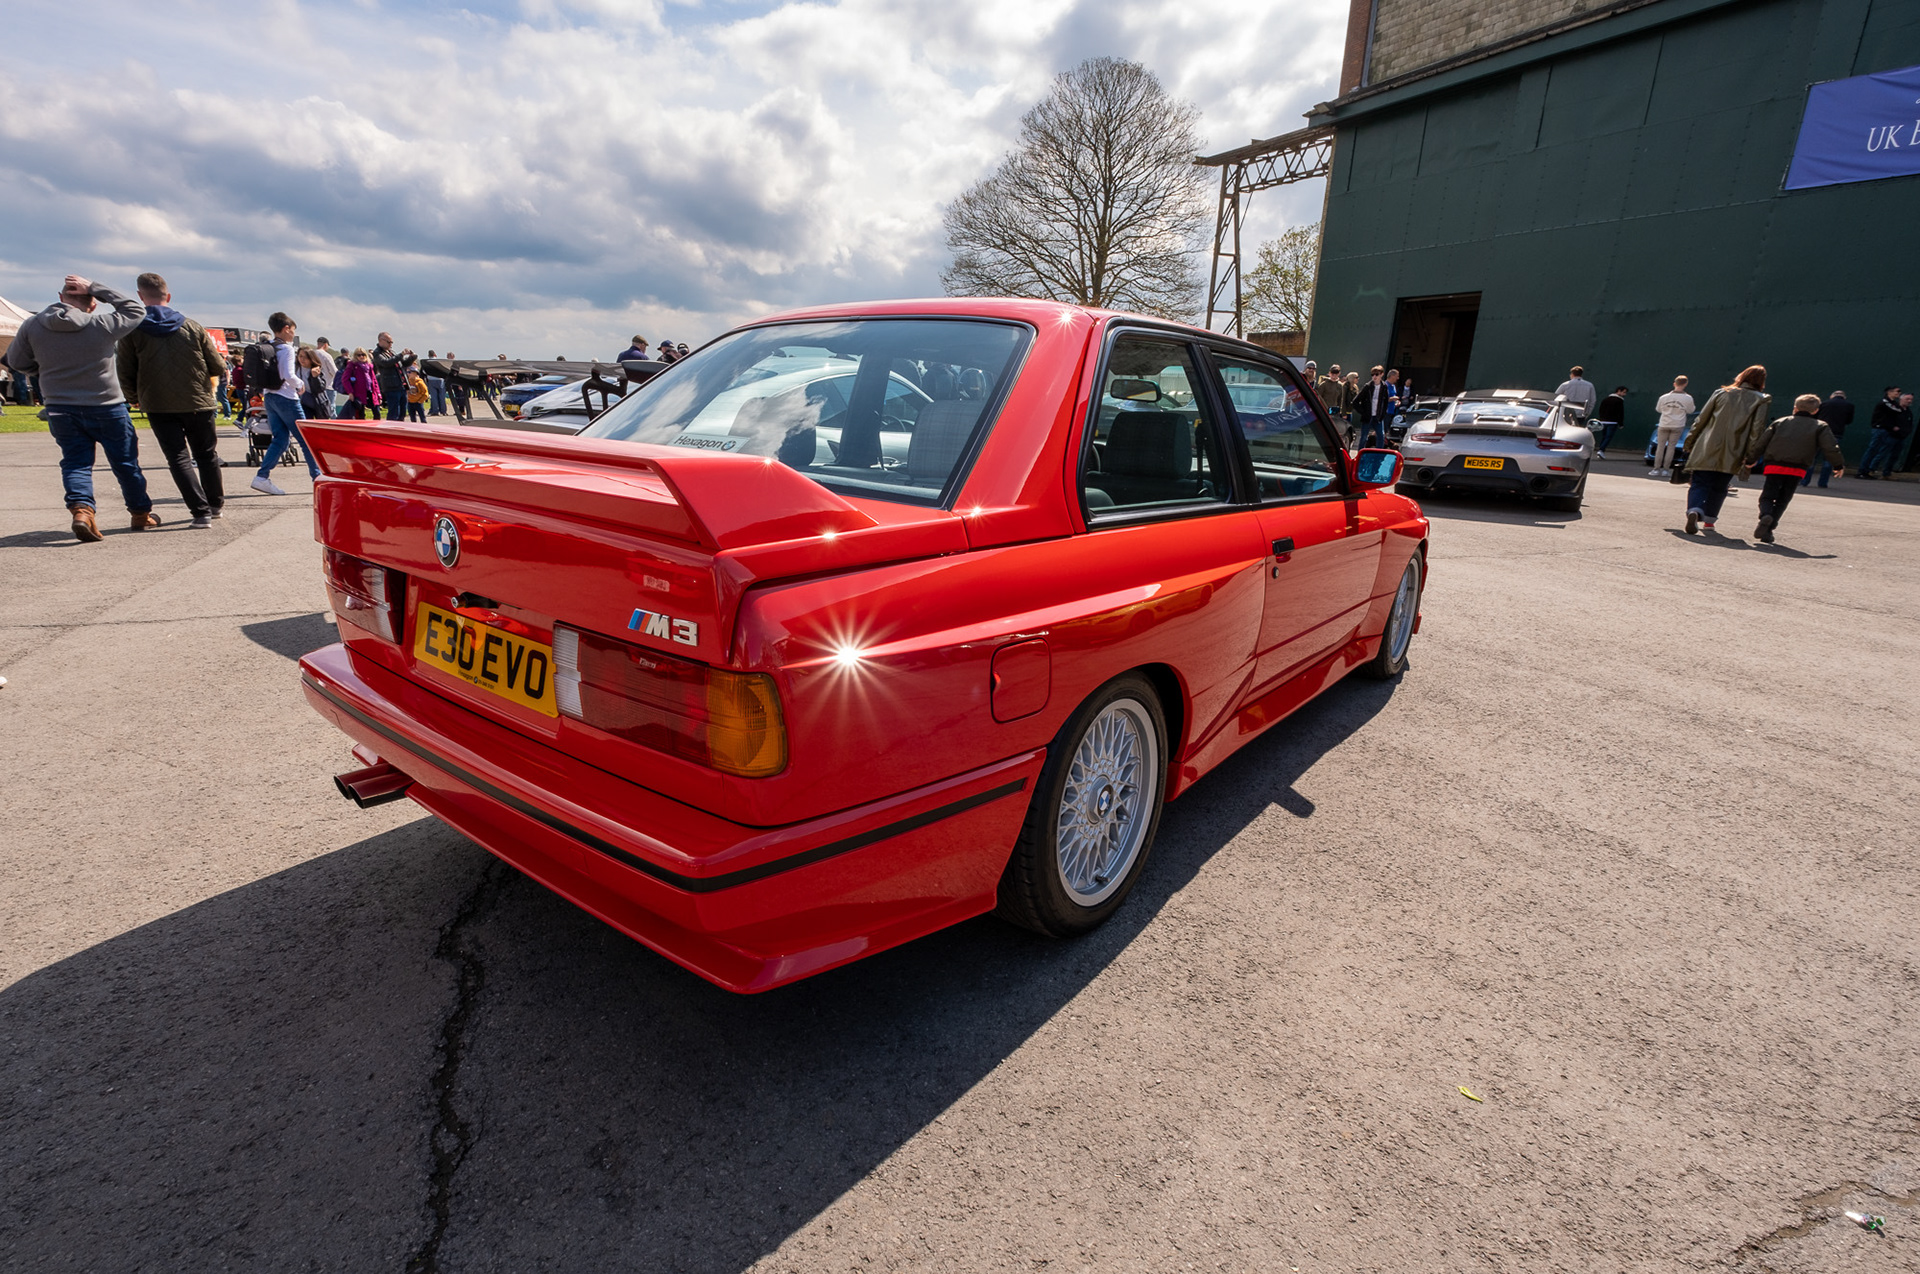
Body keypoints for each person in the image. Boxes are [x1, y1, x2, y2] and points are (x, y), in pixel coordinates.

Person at [4, 274, 155, 540]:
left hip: (61, 405)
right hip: (106, 404)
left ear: (61, 298)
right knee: (124, 463)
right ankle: (140, 513)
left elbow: (16, 361)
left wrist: (44, 371)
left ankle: (82, 510)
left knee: (76, 463)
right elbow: (136, 308)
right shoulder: (102, 324)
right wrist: (96, 287)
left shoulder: (32, 325)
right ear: (93, 303)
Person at [115, 272, 226, 528]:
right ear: (169, 296)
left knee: (178, 458)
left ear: (141, 297)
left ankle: (200, 512)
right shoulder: (192, 326)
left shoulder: (133, 330)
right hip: (198, 401)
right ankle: (215, 504)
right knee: (207, 455)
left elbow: (125, 370)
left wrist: (134, 398)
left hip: (157, 403)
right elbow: (217, 365)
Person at [1680, 365, 1771, 535]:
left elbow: (1702, 419)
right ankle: (1709, 521)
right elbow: (1756, 429)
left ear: (1742, 375)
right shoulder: (1762, 399)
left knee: (1699, 482)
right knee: (1720, 486)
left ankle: (1694, 510)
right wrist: (1751, 455)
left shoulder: (1721, 393)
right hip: (1735, 450)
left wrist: (1690, 441)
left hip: (1706, 445)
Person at [1742, 395, 1845, 542]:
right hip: (1798, 467)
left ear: (1795, 408)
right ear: (1815, 411)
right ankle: (1769, 530)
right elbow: (1830, 447)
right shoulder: (1820, 426)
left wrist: (1751, 460)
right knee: (1783, 499)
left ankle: (1765, 515)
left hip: (1774, 465)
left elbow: (1762, 443)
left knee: (1767, 495)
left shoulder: (1780, 422)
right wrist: (1838, 465)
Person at [252, 312, 319, 495]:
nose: (293, 335)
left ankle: (262, 477)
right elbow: (288, 374)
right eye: (293, 330)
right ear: (286, 328)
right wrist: (300, 384)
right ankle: (317, 478)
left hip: (270, 397)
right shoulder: (287, 349)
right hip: (287, 397)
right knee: (306, 440)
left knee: (280, 439)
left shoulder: (269, 346)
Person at [1858, 387, 1910, 479]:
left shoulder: (1893, 404)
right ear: (1889, 392)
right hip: (1879, 429)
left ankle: (1867, 471)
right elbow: (1898, 410)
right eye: (1897, 391)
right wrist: (1891, 426)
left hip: (1886, 430)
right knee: (1872, 449)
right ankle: (1862, 471)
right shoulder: (1885, 402)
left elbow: (1899, 410)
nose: (1899, 393)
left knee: (1877, 450)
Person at [1805, 390, 1852, 488]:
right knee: (1829, 460)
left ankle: (1805, 481)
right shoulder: (1849, 405)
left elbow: (1815, 417)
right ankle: (1823, 483)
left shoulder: (1824, 404)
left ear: (1832, 396)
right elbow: (1849, 420)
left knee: (1812, 458)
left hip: (1819, 432)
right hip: (1836, 433)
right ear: (1844, 397)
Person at [1651, 376, 1693, 476]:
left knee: (1660, 447)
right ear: (1685, 384)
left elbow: (1658, 409)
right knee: (1671, 447)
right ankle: (1666, 470)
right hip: (1678, 424)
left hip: (1664, 423)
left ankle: (1656, 469)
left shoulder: (1664, 397)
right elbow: (1690, 410)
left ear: (1674, 383)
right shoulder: (1688, 398)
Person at [1352, 365, 1393, 449]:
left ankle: (1378, 454)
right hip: (1368, 416)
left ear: (1381, 374)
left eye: (1376, 374)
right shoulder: (1367, 387)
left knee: (1381, 436)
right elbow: (1355, 402)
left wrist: (1382, 414)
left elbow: (1385, 402)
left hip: (1377, 416)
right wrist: (1364, 412)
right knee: (1364, 437)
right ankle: (1360, 453)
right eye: (1372, 374)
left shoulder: (1384, 387)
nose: (1374, 376)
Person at [338, 347, 381, 419]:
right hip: (358, 393)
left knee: (377, 412)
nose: (361, 356)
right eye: (359, 355)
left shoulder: (369, 366)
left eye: (363, 354)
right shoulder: (352, 365)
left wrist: (378, 394)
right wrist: (350, 392)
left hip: (370, 391)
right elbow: (345, 379)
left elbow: (374, 380)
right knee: (360, 414)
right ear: (355, 356)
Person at [372, 332, 406, 421]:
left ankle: (400, 430)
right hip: (391, 386)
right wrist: (400, 355)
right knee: (394, 412)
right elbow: (386, 363)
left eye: (392, 342)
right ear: (381, 341)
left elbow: (401, 364)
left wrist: (411, 358)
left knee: (402, 411)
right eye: (389, 342)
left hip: (401, 384)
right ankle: (391, 430)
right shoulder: (377, 353)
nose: (391, 344)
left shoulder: (391, 352)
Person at [1589, 385, 1627, 457]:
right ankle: (1601, 450)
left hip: (1603, 421)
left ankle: (1601, 450)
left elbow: (1601, 409)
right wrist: (1621, 423)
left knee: (1604, 436)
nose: (1625, 394)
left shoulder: (1606, 399)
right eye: (1624, 392)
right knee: (1608, 437)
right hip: (1612, 422)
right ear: (1619, 391)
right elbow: (1620, 413)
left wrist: (1601, 418)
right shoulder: (1619, 401)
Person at [312, 337, 338, 418]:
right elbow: (334, 371)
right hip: (328, 385)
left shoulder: (311, 354)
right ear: (326, 344)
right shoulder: (326, 356)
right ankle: (336, 426)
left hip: (314, 385)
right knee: (331, 408)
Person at [403, 358, 429, 423]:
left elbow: (425, 393)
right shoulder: (407, 382)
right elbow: (406, 391)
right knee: (412, 418)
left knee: (422, 417)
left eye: (410, 372)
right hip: (410, 402)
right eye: (407, 372)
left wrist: (421, 400)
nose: (408, 374)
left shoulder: (419, 382)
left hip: (418, 402)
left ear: (415, 373)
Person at [424, 350, 448, 416]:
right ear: (435, 354)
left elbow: (424, 372)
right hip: (440, 379)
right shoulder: (438, 361)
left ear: (428, 355)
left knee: (434, 397)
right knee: (442, 396)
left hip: (431, 380)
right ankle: (443, 411)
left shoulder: (426, 362)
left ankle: (435, 411)